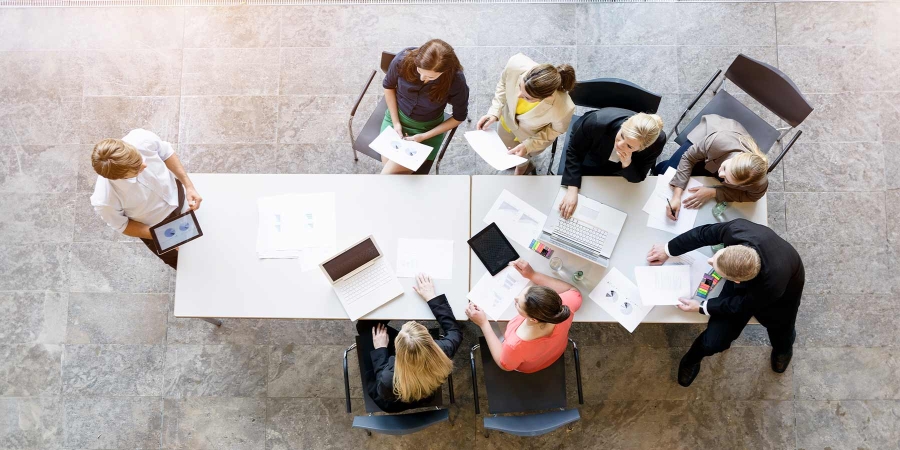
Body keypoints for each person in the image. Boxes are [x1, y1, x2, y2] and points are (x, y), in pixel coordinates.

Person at [646, 219, 804, 387]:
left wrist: (701, 307)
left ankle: (783, 347)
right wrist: (667, 250)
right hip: (750, 275)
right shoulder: (736, 230)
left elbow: (740, 305)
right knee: (713, 342)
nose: (709, 262)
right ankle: (692, 358)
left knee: (781, 326)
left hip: (783, 290)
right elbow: (701, 234)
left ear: (736, 281)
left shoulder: (772, 286)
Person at [90, 129, 202, 270]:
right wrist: (162, 236)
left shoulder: (140, 138)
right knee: (188, 267)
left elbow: (166, 153)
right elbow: (123, 226)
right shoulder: (104, 200)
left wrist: (189, 186)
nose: (144, 165)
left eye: (140, 159)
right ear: (120, 177)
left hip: (179, 196)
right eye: (137, 169)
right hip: (156, 228)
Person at [355, 274, 463, 413]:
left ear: (396, 349)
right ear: (429, 340)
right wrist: (432, 298)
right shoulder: (443, 350)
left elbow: (380, 382)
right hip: (425, 391)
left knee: (365, 327)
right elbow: (455, 331)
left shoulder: (388, 378)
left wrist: (381, 350)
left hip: (390, 399)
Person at [466, 259, 581, 373]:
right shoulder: (564, 305)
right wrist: (532, 275)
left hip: (528, 364)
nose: (515, 299)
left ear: (533, 319)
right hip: (556, 350)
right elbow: (574, 291)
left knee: (493, 324)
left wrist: (483, 323)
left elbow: (504, 365)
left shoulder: (515, 345)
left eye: (519, 305)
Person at [477, 54, 576, 175]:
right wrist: (495, 111)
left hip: (529, 136)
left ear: (547, 98)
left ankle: (523, 167)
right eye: (520, 87)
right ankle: (517, 163)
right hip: (506, 122)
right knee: (505, 144)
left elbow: (555, 131)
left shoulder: (564, 108)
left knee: (522, 157)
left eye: (526, 97)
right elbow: (503, 84)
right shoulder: (515, 64)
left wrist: (528, 146)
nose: (519, 96)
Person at [381, 39, 469, 175]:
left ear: (444, 71)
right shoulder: (403, 59)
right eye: (419, 71)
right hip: (396, 116)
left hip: (428, 128)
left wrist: (424, 136)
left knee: (388, 175)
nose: (422, 78)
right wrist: (396, 123)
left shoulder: (456, 81)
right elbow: (388, 86)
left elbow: (459, 117)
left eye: (430, 77)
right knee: (390, 174)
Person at [656, 114, 769, 221]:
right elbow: (689, 157)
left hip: (715, 156)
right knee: (665, 172)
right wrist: (676, 196)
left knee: (673, 172)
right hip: (708, 138)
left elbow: (752, 197)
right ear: (734, 158)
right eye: (724, 168)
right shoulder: (717, 142)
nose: (720, 175)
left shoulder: (758, 184)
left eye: (728, 180)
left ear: (745, 185)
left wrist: (714, 192)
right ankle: (661, 167)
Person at [558, 109, 666, 219]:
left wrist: (627, 163)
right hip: (591, 151)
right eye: (622, 135)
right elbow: (574, 151)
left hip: (618, 169)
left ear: (643, 148)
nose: (620, 145)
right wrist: (572, 190)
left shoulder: (657, 142)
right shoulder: (596, 122)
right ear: (624, 125)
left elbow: (638, 176)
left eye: (629, 146)